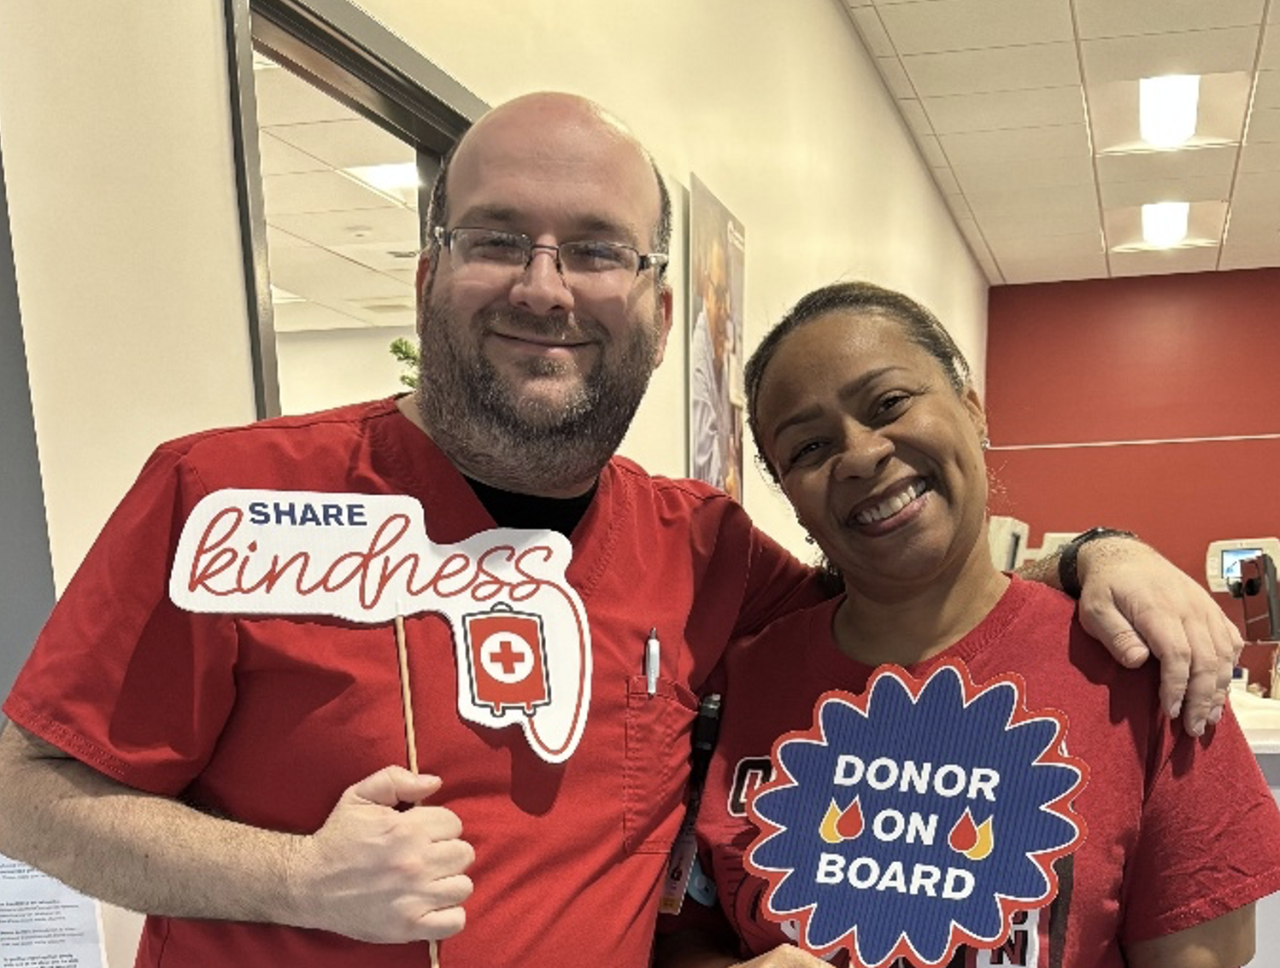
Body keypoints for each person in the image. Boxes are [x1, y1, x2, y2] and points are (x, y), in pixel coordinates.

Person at [0, 93, 1243, 968]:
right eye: (497, 238)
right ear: (428, 273)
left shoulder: (701, 552)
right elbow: (26, 792)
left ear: (656, 310)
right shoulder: (229, 501)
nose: (544, 287)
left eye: (595, 250)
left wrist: (1096, 551)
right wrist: (293, 878)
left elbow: (901, 569)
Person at [655, 282, 1280, 968]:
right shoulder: (737, 683)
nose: (861, 455)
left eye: (889, 403)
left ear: (972, 406)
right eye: (808, 447)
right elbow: (685, 932)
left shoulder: (1146, 672)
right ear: (787, 495)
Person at [690, 230, 735, 496]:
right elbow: (707, 473)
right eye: (719, 293)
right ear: (705, 289)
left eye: (725, 296)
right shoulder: (699, 357)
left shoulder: (719, 355)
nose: (725, 309)